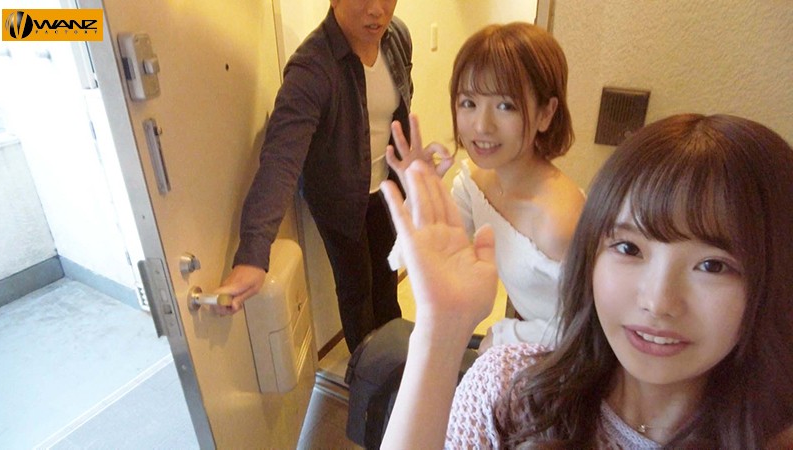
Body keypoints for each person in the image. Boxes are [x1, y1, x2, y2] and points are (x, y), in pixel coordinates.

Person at [379, 114, 793, 448]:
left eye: (712, 266)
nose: (658, 302)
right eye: (629, 248)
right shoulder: (509, 391)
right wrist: (441, 331)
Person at [215, 0, 412, 353]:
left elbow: (398, 111)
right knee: (356, 291)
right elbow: (281, 159)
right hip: (340, 200)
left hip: (387, 189)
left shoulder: (397, 37)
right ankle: (366, 370)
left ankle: (395, 360)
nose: (377, 10)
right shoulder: (312, 68)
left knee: (386, 277)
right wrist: (253, 253)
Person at [387, 22, 584, 350]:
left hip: (569, 362)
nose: (481, 125)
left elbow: (598, 329)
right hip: (528, 348)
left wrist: (509, 334)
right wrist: (423, 192)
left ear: (545, 113)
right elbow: (425, 256)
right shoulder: (474, 183)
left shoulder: (559, 220)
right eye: (468, 103)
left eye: (506, 106)